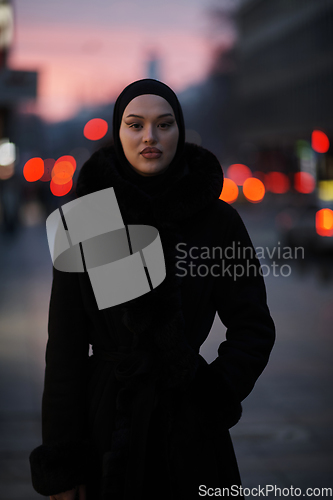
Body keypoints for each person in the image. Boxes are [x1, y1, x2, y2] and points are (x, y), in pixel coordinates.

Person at [29, 79, 275, 500]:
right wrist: (63, 463)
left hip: (193, 431)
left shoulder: (216, 221)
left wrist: (213, 396)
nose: (150, 137)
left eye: (163, 124)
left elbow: (253, 326)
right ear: (117, 132)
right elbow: (65, 352)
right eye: (135, 124)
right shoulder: (87, 219)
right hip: (105, 425)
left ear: (179, 131)